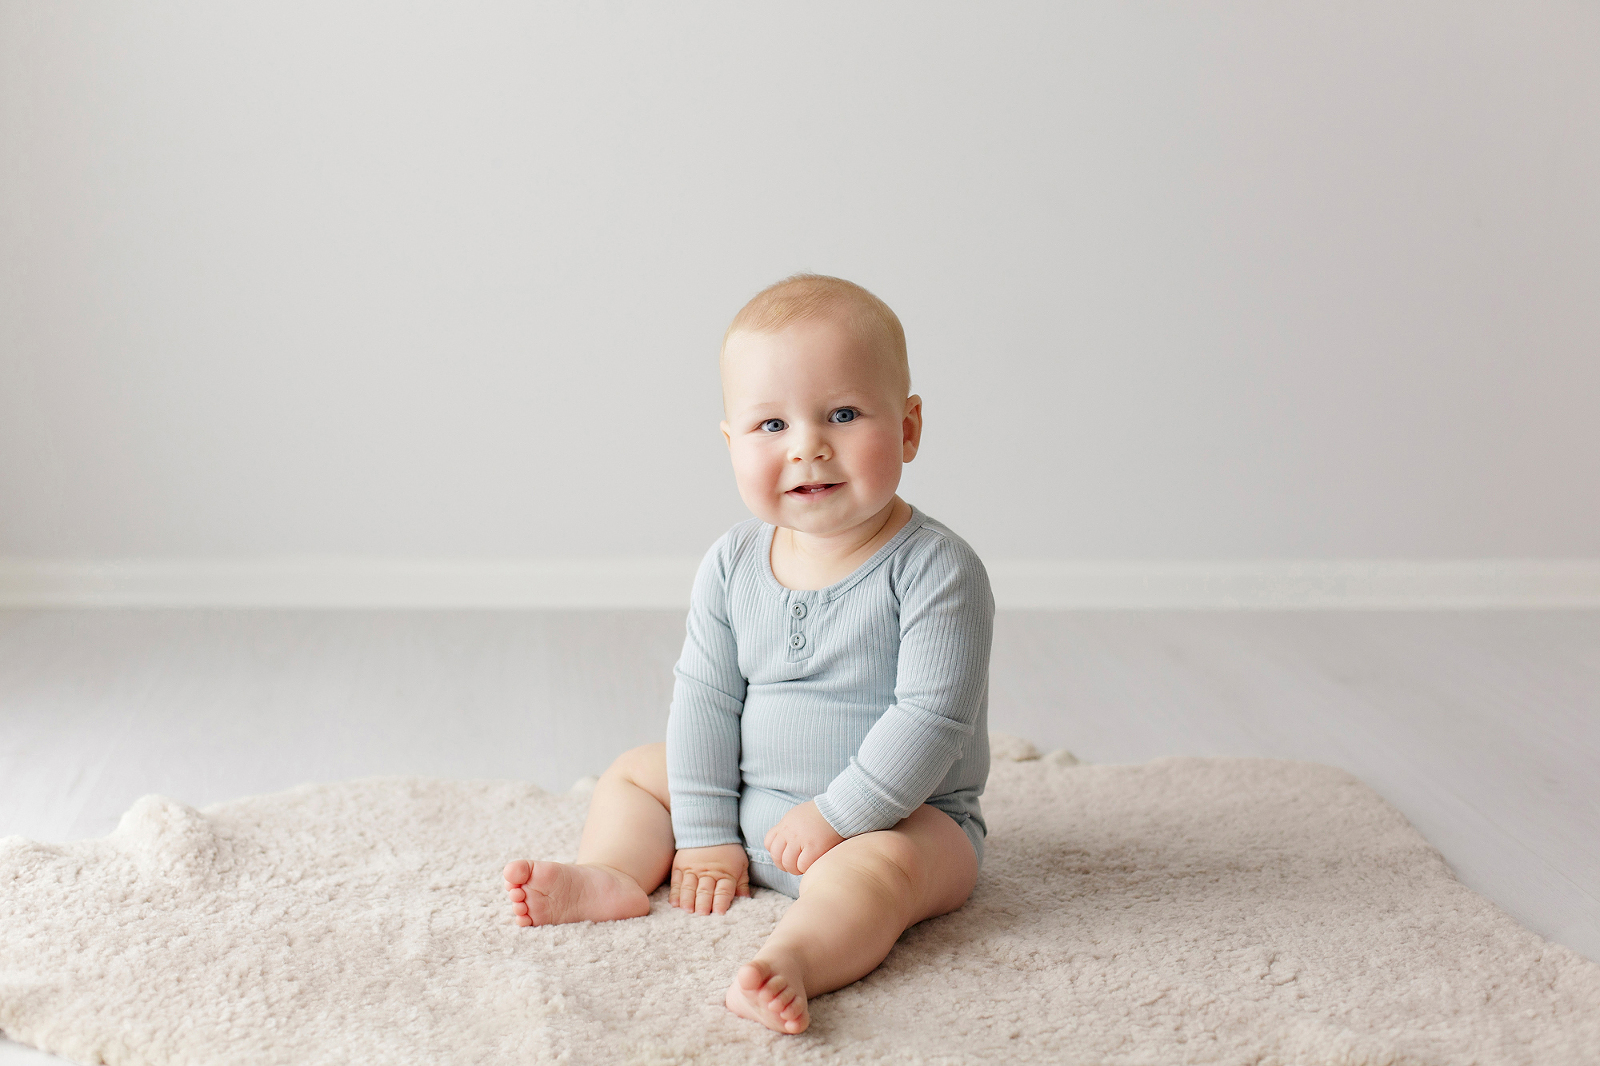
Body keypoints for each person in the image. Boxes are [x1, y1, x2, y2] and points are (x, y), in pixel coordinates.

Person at [503, 274, 994, 1035]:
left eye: (842, 413)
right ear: (732, 443)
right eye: (771, 426)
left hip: (896, 815)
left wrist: (840, 815)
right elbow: (705, 697)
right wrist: (704, 834)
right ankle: (613, 874)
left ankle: (794, 958)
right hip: (747, 798)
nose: (808, 447)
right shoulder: (733, 562)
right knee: (636, 771)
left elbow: (931, 719)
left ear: (907, 428)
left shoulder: (936, 570)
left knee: (887, 874)